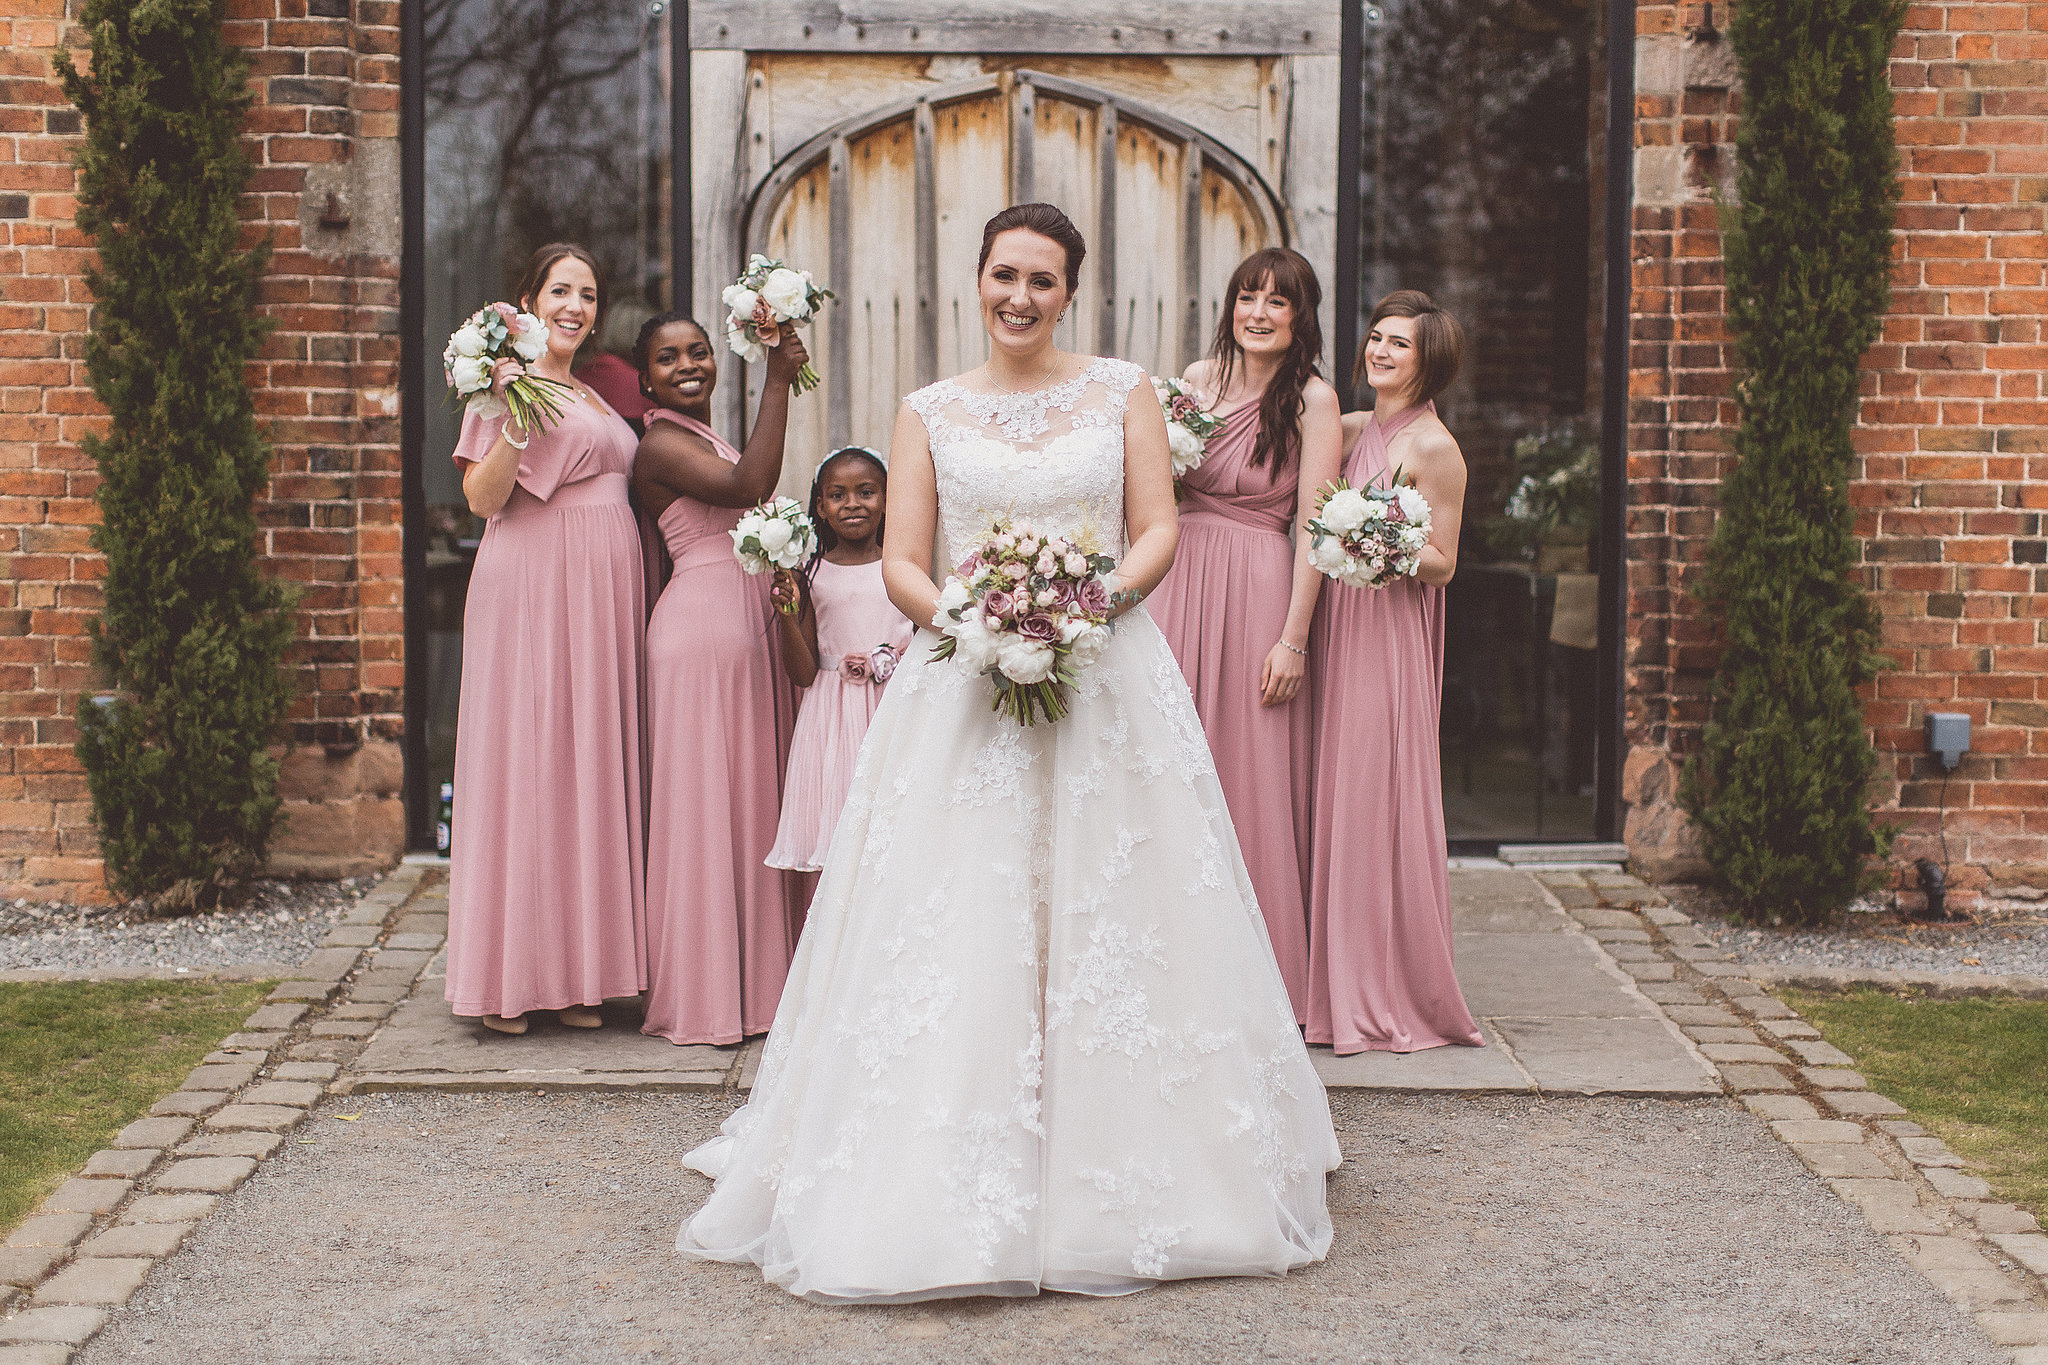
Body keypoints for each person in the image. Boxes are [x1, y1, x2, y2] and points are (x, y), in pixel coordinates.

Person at [676, 204, 1338, 1303]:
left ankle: (1134, 1153)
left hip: (1104, 672)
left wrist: (1081, 610)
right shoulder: (927, 409)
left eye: (1040, 280)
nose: (1019, 297)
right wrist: (977, 625)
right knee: (961, 908)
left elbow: (1156, 528)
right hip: (963, 675)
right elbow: (900, 558)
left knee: (1121, 907)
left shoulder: (1120, 389)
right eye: (1002, 276)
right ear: (974, 284)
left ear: (1068, 292)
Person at [445, 243, 646, 1035]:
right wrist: (519, 426)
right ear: (529, 300)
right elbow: (480, 498)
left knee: (584, 765)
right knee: (530, 760)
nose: (577, 304)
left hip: (600, 595)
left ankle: (578, 974)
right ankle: (511, 978)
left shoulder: (596, 393)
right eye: (561, 289)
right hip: (531, 583)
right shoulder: (504, 384)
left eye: (589, 293)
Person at [1146, 248, 1342, 1023]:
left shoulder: (1313, 401)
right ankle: (1164, 963)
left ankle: (1258, 983)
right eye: (1247, 297)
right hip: (1180, 577)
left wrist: (1293, 639)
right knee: (1166, 759)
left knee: (1250, 773)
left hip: (1260, 584)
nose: (1259, 312)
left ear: (1301, 318)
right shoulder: (1195, 382)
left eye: (1278, 301)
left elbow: (1315, 523)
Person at [1307, 289, 1484, 1055]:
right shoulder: (1352, 427)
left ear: (1429, 361)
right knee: (1331, 787)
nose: (1379, 351)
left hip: (1387, 630)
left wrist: (1379, 541)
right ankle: (1327, 973)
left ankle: (1380, 987)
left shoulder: (1436, 448)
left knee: (1372, 792)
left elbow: (1443, 563)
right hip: (1334, 623)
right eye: (1376, 338)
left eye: (1398, 344)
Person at [633, 311, 811, 1046]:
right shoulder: (660, 444)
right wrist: (780, 376)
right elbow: (750, 482)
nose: (687, 365)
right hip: (702, 635)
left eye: (698, 351)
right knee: (709, 809)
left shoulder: (705, 433)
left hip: (748, 634)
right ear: (645, 380)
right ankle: (706, 997)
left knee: (752, 806)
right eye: (668, 358)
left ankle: (761, 987)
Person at [764, 447, 912, 875]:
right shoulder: (810, 575)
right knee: (841, 835)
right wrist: (788, 617)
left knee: (890, 831)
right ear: (820, 507)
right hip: (831, 718)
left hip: (892, 711)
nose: (852, 504)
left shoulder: (903, 568)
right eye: (837, 495)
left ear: (888, 500)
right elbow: (803, 671)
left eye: (866, 492)